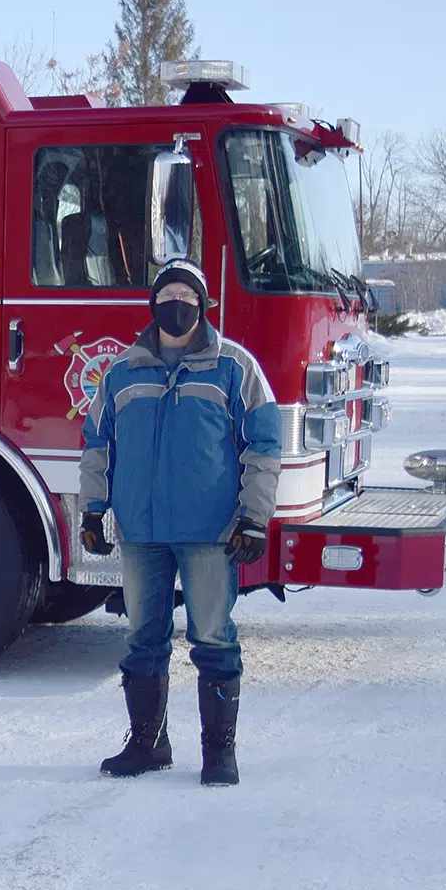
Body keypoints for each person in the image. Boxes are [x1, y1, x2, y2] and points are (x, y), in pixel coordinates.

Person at [81, 258, 279, 787]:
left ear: (203, 305)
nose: (177, 306)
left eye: (187, 298)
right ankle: (148, 743)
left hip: (209, 533)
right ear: (153, 305)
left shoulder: (235, 368)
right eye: (167, 296)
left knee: (212, 637)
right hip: (141, 534)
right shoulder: (122, 373)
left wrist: (253, 518)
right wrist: (94, 510)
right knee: (143, 637)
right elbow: (97, 444)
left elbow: (264, 445)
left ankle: (219, 752)